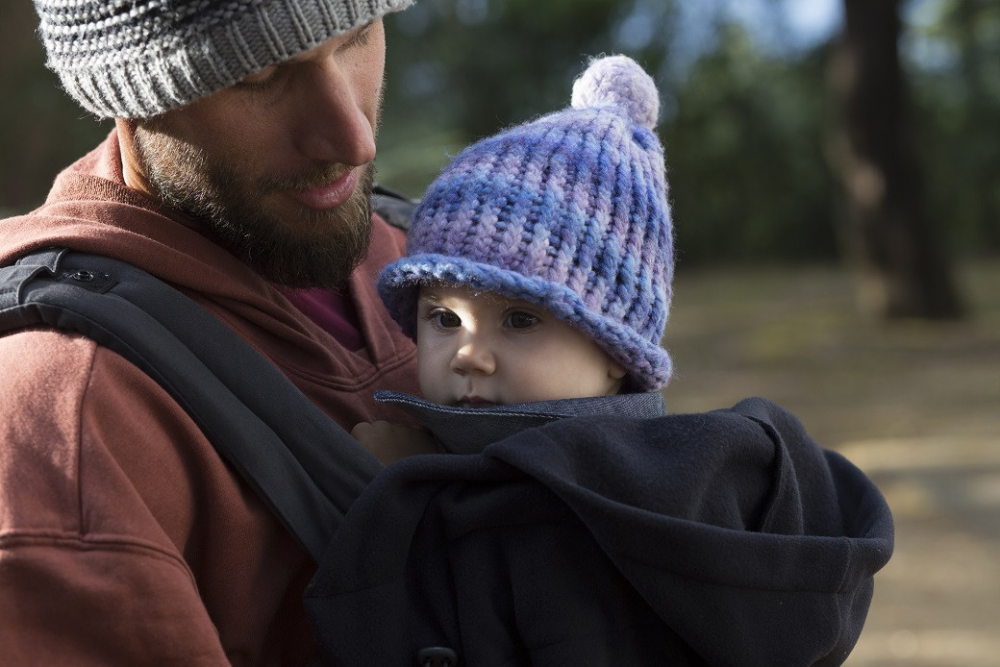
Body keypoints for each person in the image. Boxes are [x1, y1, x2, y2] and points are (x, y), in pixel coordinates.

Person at [310, 56, 895, 665]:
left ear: (616, 355)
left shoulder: (580, 534)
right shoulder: (587, 486)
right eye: (444, 318)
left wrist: (417, 490)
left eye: (520, 320)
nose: (469, 355)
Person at [0, 1, 422, 664]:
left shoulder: (438, 259)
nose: (353, 139)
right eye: (258, 72)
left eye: (356, 35)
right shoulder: (70, 426)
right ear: (133, 93)